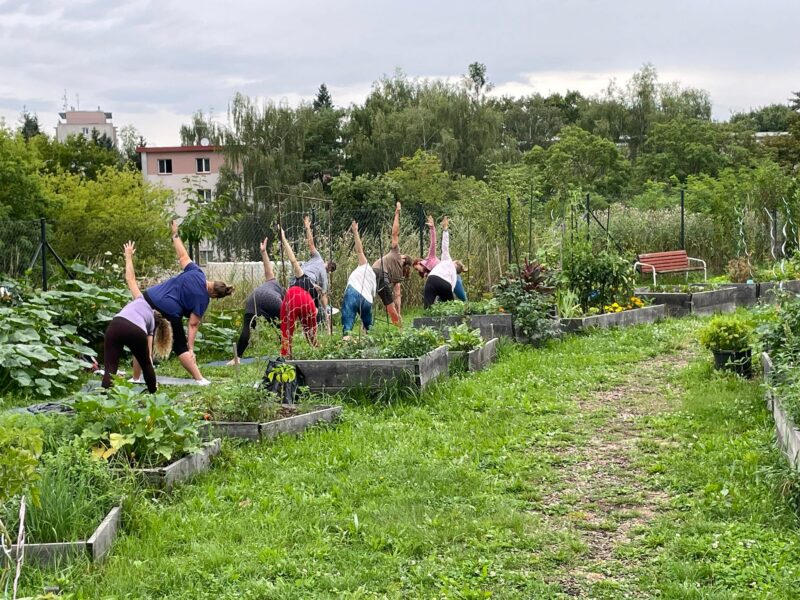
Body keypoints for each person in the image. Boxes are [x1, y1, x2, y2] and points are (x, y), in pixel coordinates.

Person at [135, 220, 234, 385]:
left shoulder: (197, 272)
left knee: (142, 336)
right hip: (170, 311)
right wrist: (191, 348)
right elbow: (193, 325)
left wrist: (175, 235)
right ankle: (200, 379)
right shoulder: (203, 299)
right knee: (180, 347)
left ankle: (136, 377)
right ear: (214, 294)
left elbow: (182, 256)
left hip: (148, 297)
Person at [102, 242, 172, 394]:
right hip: (135, 329)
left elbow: (131, 279)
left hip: (116, 324)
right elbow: (148, 358)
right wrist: (152, 380)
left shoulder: (140, 299)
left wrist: (128, 256)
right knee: (146, 364)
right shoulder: (151, 323)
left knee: (110, 367)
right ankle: (153, 393)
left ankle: (104, 397)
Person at [228, 236, 285, 365]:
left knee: (247, 327)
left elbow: (267, 269)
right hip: (271, 300)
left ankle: (236, 358)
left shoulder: (272, 282)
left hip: (254, 296)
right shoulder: (281, 295)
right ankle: (286, 354)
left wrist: (263, 252)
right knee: (283, 327)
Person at [279, 227, 321, 357]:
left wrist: (284, 239)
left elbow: (293, 260)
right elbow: (316, 313)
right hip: (308, 303)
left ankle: (286, 357)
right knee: (311, 334)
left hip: (293, 297)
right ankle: (319, 351)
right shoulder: (314, 296)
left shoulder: (303, 277)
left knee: (286, 333)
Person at [372, 202, 412, 325]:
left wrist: (397, 213)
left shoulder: (396, 253)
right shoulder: (400, 274)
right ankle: (397, 321)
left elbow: (395, 233)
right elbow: (397, 294)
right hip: (382, 276)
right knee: (389, 303)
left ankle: (365, 326)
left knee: (369, 299)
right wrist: (399, 311)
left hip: (374, 271)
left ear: (404, 258)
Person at [412, 214, 468, 302]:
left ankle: (467, 306)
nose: (417, 270)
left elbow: (434, 243)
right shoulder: (427, 272)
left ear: (419, 263)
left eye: (416, 268)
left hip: (451, 277)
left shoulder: (431, 258)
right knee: (441, 300)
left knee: (462, 297)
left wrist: (433, 228)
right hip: (441, 280)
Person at [341, 221, 376, 339]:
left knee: (347, 324)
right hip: (367, 300)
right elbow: (371, 299)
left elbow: (359, 251)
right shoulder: (374, 280)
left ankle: (346, 339)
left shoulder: (365, 266)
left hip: (352, 292)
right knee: (368, 324)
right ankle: (369, 339)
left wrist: (355, 231)